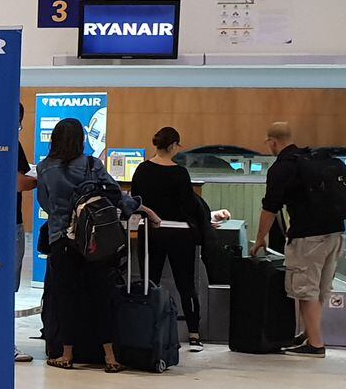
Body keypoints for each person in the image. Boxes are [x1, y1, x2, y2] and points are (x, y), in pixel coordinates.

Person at [37, 118, 157, 373]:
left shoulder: (45, 168)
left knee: (66, 298)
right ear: (81, 139)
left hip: (62, 241)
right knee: (101, 297)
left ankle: (66, 354)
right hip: (96, 243)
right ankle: (110, 357)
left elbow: (45, 204)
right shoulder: (93, 164)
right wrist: (138, 207)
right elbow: (115, 194)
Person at [252, 122, 344, 358]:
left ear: (272, 142)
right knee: (321, 289)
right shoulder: (310, 158)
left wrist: (260, 238)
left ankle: (315, 344)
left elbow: (270, 207)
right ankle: (309, 335)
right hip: (335, 234)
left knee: (305, 290)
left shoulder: (282, 167)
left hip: (308, 237)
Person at [130, 127, 206, 353]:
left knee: (150, 282)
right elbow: (190, 205)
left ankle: (149, 329)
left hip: (151, 231)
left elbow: (135, 200)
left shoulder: (142, 170)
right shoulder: (180, 173)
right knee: (186, 285)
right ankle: (194, 335)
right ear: (173, 145)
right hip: (180, 233)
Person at [15, 104, 37, 363]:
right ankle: (4, 344)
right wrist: (42, 178)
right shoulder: (10, 143)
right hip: (9, 223)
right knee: (7, 287)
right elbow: (19, 182)